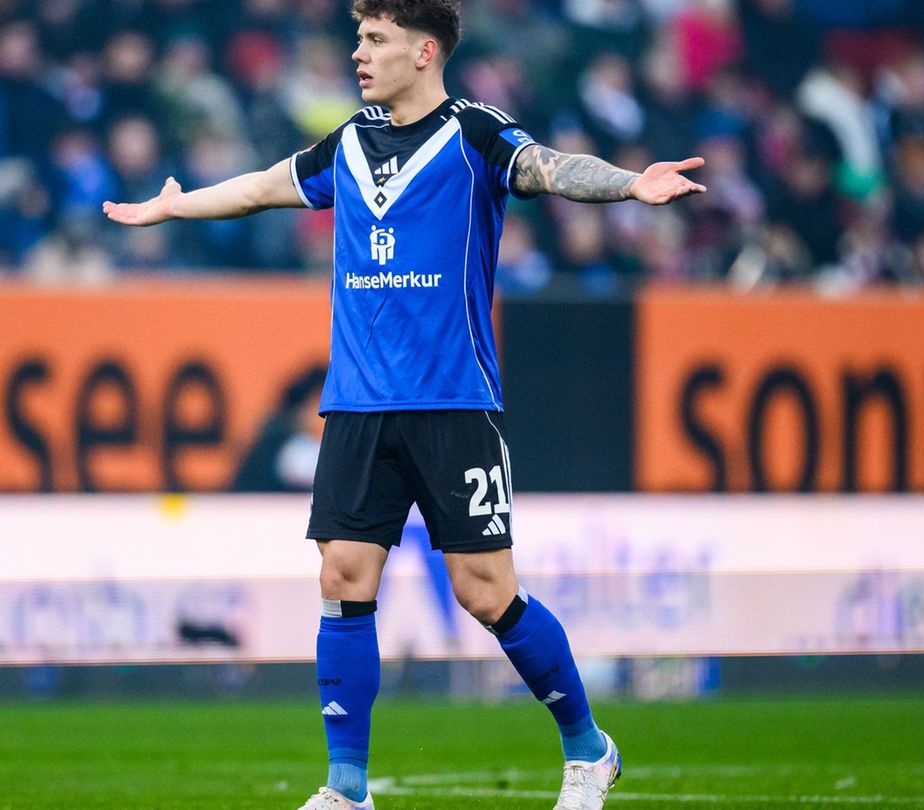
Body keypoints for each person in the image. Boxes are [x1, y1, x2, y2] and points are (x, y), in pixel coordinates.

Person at [102, 2, 705, 808]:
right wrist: (177, 206)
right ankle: (347, 788)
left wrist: (632, 185)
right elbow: (260, 188)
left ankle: (589, 749)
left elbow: (550, 168)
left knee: (485, 591)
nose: (358, 54)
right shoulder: (347, 143)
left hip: (454, 401)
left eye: (375, 39)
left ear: (424, 52)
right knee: (343, 574)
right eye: (358, 37)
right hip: (357, 404)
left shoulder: (475, 133)